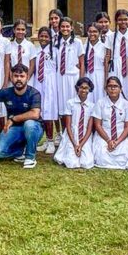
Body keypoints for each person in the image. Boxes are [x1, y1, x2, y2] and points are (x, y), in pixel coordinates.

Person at [0, 64, 44, 169]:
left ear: (27, 77)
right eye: (16, 76)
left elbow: (35, 114)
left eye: (22, 76)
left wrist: (13, 119)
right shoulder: (6, 92)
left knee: (29, 124)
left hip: (34, 128)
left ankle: (30, 157)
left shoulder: (34, 93)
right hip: (15, 128)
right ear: (11, 77)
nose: (19, 79)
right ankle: (21, 151)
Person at [49, 17, 83, 154]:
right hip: (59, 78)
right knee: (61, 108)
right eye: (62, 27)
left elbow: (81, 64)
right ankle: (63, 135)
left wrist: (81, 82)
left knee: (73, 107)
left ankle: (75, 136)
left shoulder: (77, 43)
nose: (65, 29)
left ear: (72, 28)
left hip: (72, 78)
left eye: (67, 27)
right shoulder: (56, 43)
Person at [91, 75, 128, 170]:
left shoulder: (127, 105)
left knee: (125, 155)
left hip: (121, 136)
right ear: (106, 89)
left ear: (121, 89)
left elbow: (127, 127)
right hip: (104, 135)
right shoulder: (100, 103)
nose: (112, 89)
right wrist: (108, 140)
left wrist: (117, 142)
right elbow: (98, 125)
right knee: (101, 156)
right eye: (110, 86)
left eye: (115, 86)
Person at [55, 77, 96, 170]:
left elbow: (89, 129)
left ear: (89, 89)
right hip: (72, 134)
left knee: (86, 162)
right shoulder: (70, 103)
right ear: (77, 88)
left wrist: (80, 145)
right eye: (81, 87)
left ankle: (83, 148)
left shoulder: (92, 106)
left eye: (86, 88)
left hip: (85, 136)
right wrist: (75, 144)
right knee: (71, 162)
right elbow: (68, 125)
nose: (83, 90)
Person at [33, 27, 59, 152]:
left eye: (46, 36)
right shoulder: (36, 51)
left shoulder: (55, 51)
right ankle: (44, 140)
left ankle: (51, 141)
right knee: (40, 112)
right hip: (38, 83)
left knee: (49, 112)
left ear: (50, 38)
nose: (43, 38)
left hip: (50, 84)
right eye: (41, 36)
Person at [106, 9, 128, 93]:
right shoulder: (111, 37)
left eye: (125, 19)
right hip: (115, 68)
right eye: (120, 19)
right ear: (116, 21)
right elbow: (108, 56)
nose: (123, 22)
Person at [82, 23, 109, 102]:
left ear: (100, 33)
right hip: (87, 76)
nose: (92, 34)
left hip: (100, 77)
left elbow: (106, 66)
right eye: (90, 31)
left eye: (95, 31)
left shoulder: (104, 48)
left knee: (99, 99)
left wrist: (106, 81)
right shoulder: (84, 47)